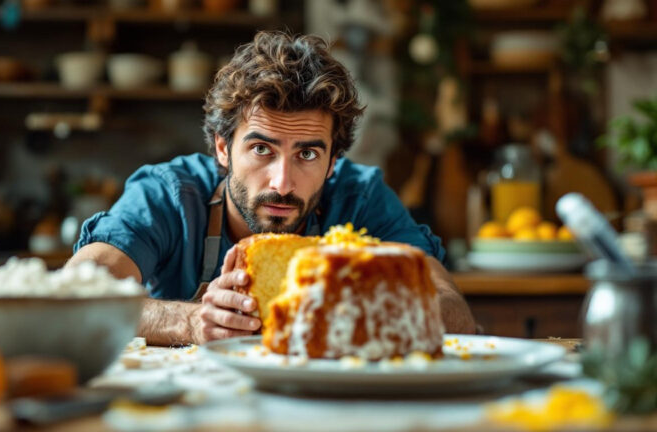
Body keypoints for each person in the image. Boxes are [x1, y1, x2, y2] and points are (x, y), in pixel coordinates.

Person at [68, 31, 476, 345]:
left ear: (334, 161)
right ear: (223, 149)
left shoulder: (360, 198)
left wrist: (360, 311)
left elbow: (456, 314)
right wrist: (191, 321)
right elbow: (73, 295)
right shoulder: (169, 194)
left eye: (308, 155)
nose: (283, 184)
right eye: (262, 149)